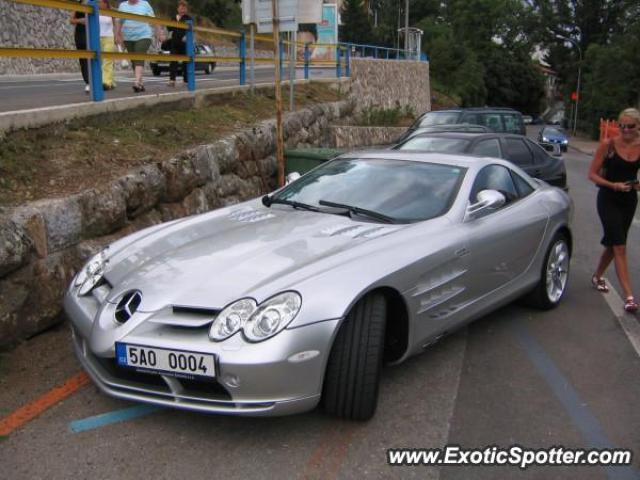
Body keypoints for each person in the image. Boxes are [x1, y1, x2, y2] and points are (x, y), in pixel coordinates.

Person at [588, 107, 640, 312]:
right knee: (619, 246)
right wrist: (613, 185)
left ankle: (597, 276)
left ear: (638, 127)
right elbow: (592, 174)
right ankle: (629, 296)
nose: (625, 130)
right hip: (608, 198)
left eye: (630, 127)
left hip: (628, 200)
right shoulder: (608, 145)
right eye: (622, 126)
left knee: (614, 243)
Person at [115, 0, 164, 92]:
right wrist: (117, 34)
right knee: (134, 61)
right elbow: (119, 21)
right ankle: (140, 84)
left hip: (143, 35)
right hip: (128, 37)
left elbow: (154, 19)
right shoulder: (122, 6)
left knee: (139, 56)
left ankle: (136, 82)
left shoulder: (144, 4)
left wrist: (159, 33)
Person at [166, 0, 192, 87]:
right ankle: (172, 80)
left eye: (184, 8)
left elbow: (191, 30)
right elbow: (169, 28)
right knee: (173, 62)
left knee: (185, 63)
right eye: (181, 8)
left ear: (186, 9)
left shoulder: (188, 18)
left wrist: (186, 36)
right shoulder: (173, 18)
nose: (182, 9)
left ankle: (186, 81)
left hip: (184, 43)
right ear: (178, 8)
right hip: (174, 42)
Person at [70, 2, 90, 94]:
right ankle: (88, 82)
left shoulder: (94, 3)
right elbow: (71, 20)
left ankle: (95, 81)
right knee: (83, 59)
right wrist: (80, 20)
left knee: (93, 58)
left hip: (92, 33)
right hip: (80, 34)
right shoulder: (78, 4)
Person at [99, 0, 117, 90]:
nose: (99, 3)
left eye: (101, 2)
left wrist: (117, 36)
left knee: (107, 60)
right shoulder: (95, 11)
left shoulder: (111, 11)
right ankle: (111, 81)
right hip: (98, 38)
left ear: (106, 3)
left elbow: (115, 25)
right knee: (101, 61)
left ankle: (106, 82)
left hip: (109, 37)